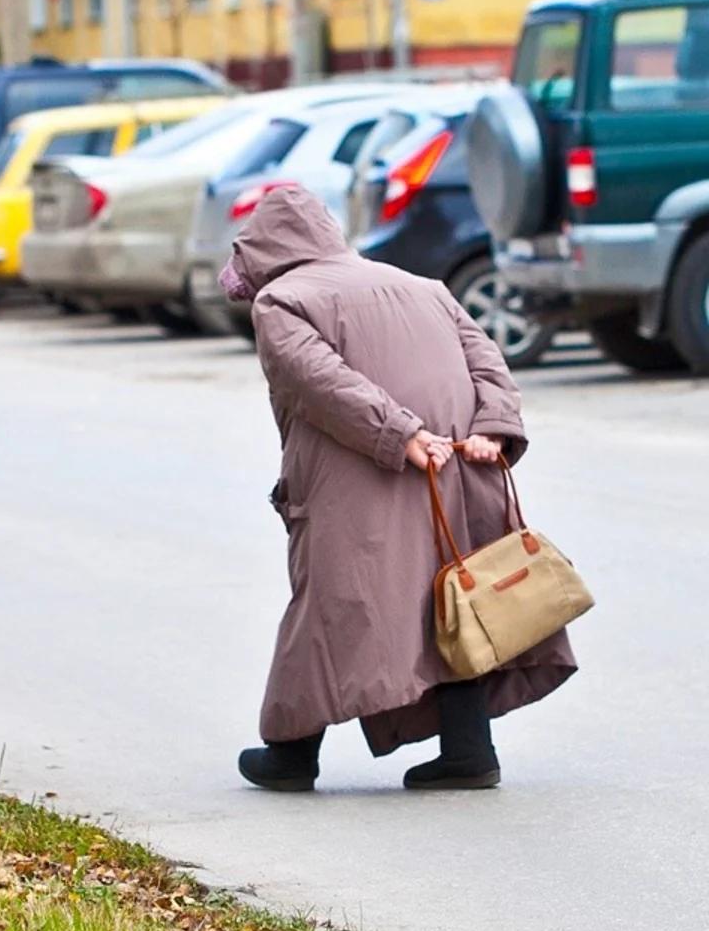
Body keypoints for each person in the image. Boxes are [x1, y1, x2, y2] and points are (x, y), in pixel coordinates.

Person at [218, 187, 576, 791]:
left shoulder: (281, 301)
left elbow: (317, 380)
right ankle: (468, 751)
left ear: (263, 248)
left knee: (331, 605)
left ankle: (290, 755)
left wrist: (400, 432)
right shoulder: (422, 286)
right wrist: (492, 425)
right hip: (453, 473)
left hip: (362, 475)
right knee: (451, 599)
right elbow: (486, 359)